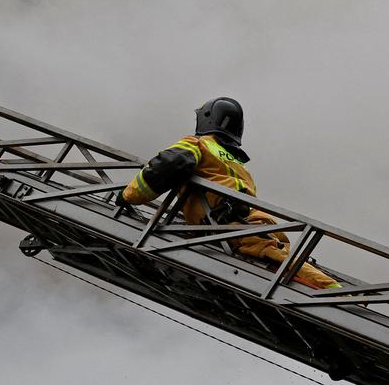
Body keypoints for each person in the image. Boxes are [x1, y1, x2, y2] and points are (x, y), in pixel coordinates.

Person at [117, 97, 340, 290]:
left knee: (286, 267)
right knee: (289, 264)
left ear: (207, 119)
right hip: (256, 228)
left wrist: (128, 196)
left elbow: (170, 164)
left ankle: (340, 298)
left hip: (229, 231)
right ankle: (341, 295)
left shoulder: (198, 144)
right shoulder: (239, 166)